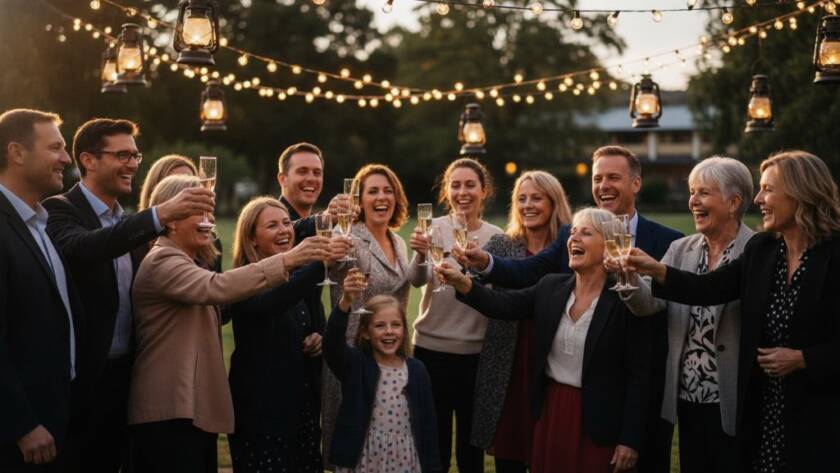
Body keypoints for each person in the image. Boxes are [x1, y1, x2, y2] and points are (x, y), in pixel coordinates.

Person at [454, 145, 682, 473]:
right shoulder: (555, 279)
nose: (603, 186)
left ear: (636, 183)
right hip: (555, 405)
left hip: (617, 403)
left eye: (613, 177)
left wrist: (631, 434)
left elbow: (642, 364)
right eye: (597, 178)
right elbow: (518, 284)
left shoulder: (660, 251)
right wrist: (472, 275)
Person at [625, 150, 840, 473]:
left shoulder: (833, 254)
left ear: (800, 193)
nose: (758, 199)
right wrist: (655, 269)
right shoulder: (764, 250)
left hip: (820, 410)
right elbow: (708, 288)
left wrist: (804, 359)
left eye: (768, 189)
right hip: (763, 408)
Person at [127, 174, 331, 473]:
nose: (210, 223)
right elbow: (217, 287)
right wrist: (290, 260)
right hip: (168, 411)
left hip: (191, 409)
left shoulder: (185, 259)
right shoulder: (162, 261)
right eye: (200, 213)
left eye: (210, 214)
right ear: (171, 218)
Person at [42, 120, 214, 473]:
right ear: (88, 160)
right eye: (122, 155)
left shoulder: (131, 223)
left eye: (136, 154)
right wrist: (161, 214)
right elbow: (84, 248)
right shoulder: (60, 209)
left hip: (129, 382)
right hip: (81, 385)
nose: (134, 164)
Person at [437, 207, 651, 473]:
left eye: (586, 233)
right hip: (552, 412)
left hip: (600, 421)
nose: (574, 239)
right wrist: (462, 283)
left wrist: (630, 440)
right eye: (573, 233)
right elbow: (502, 304)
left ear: (609, 246)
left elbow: (639, 376)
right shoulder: (551, 287)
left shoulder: (625, 300)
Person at [616, 157, 754, 473]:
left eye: (703, 193)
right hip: (687, 396)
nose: (693, 201)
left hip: (736, 396)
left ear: (733, 202)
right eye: (692, 192)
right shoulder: (682, 249)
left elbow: (707, 289)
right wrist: (627, 279)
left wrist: (656, 269)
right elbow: (649, 303)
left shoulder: (756, 250)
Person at [472, 170, 572, 473]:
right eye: (521, 198)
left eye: (536, 198)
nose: (527, 205)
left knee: (551, 451)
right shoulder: (503, 244)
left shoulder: (570, 245)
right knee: (510, 457)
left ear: (554, 202)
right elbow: (471, 279)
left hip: (554, 362)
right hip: (508, 362)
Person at [408, 157, 503, 473]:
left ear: (484, 190)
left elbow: (497, 294)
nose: (463, 192)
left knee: (470, 452)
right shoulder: (431, 228)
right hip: (430, 351)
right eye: (456, 185)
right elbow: (417, 280)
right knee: (432, 445)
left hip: (476, 355)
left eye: (470, 185)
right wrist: (421, 253)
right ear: (446, 191)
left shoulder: (497, 237)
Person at [0, 109, 83, 471]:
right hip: (19, 434)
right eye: (55, 148)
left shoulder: (39, 223)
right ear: (17, 153)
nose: (66, 158)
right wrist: (23, 424)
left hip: (56, 416)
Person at [227, 197, 327, 473]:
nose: (284, 230)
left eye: (286, 223)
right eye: (272, 225)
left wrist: (318, 337)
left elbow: (308, 321)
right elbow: (271, 303)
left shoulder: (292, 278)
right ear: (252, 239)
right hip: (263, 416)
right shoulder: (242, 279)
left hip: (301, 412)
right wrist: (322, 260)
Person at [322, 164, 412, 467]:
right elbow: (329, 262)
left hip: (390, 354)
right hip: (350, 354)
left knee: (387, 445)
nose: (381, 197)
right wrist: (332, 233)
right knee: (353, 447)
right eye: (372, 191)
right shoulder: (347, 235)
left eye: (388, 191)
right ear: (358, 200)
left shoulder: (399, 242)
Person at [324, 273, 442, 473]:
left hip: (405, 457)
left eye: (396, 325)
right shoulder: (356, 366)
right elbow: (331, 345)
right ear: (365, 332)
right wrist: (345, 302)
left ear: (404, 330)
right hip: (364, 457)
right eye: (380, 325)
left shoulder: (416, 370)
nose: (389, 331)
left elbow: (428, 426)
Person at [136, 153, 223, 271]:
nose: (186, 193)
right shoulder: (138, 242)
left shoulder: (211, 241)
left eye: (191, 182)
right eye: (176, 185)